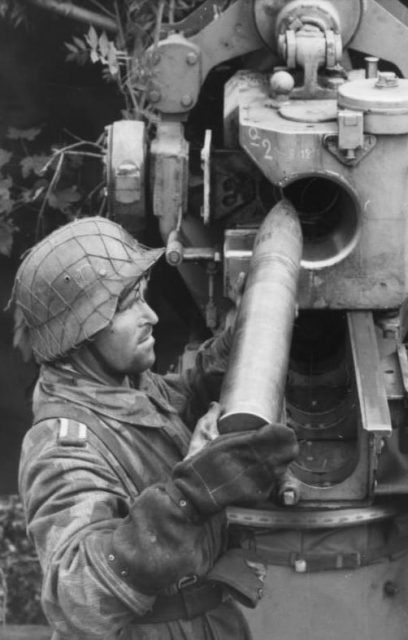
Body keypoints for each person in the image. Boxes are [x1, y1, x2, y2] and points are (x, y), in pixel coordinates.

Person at [11, 216, 298, 640]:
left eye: (143, 297)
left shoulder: (122, 388)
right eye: (127, 304)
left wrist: (242, 335)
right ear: (79, 331)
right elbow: (81, 596)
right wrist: (192, 493)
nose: (151, 316)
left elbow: (178, 403)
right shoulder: (62, 447)